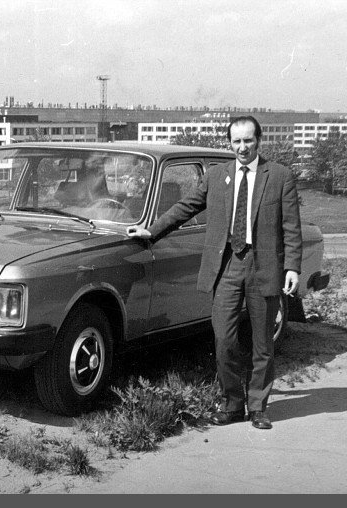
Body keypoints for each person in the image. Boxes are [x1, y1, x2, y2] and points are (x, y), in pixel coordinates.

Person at [126, 116, 302, 430]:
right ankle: (233, 404)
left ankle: (259, 406)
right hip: (227, 267)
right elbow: (186, 207)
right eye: (237, 141)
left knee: (263, 341)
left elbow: (291, 227)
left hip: (264, 267)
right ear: (229, 143)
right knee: (224, 339)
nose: (243, 147)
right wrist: (150, 232)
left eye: (248, 140)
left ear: (258, 141)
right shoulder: (217, 176)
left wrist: (292, 267)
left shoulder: (279, 176)